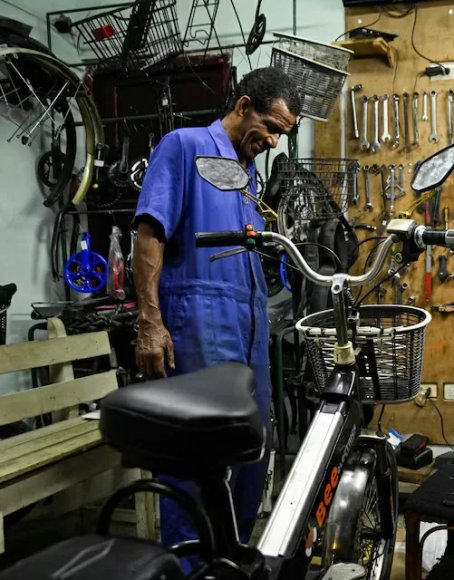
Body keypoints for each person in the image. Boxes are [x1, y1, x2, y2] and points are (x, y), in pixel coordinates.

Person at [132, 67, 301, 555]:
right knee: (195, 458)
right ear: (244, 105)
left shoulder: (242, 175)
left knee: (251, 452)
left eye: (281, 136)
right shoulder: (183, 147)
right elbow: (149, 233)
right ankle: (190, 567)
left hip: (248, 333)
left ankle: (230, 562)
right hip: (196, 327)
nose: (272, 142)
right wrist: (150, 321)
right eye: (270, 127)